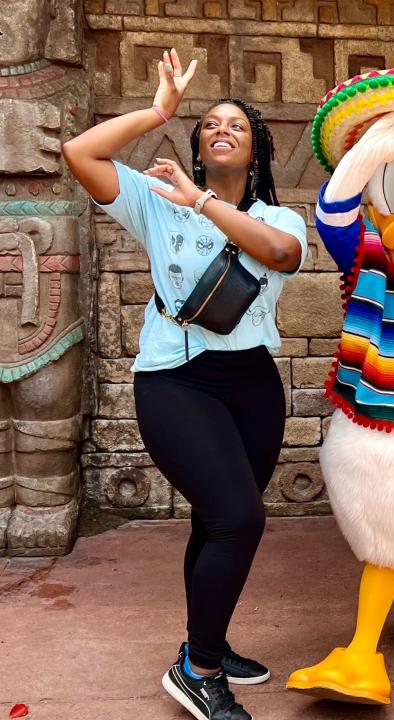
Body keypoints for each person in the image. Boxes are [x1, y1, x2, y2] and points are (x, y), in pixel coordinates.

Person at [63, 49, 307, 720]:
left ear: (256, 148)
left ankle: (210, 640)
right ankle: (198, 671)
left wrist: (200, 200)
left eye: (236, 124)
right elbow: (79, 153)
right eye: (207, 125)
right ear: (198, 145)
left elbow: (280, 256)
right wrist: (158, 111)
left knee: (217, 518)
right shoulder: (157, 205)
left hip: (252, 382)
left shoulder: (280, 220)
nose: (220, 129)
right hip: (176, 380)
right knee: (240, 517)